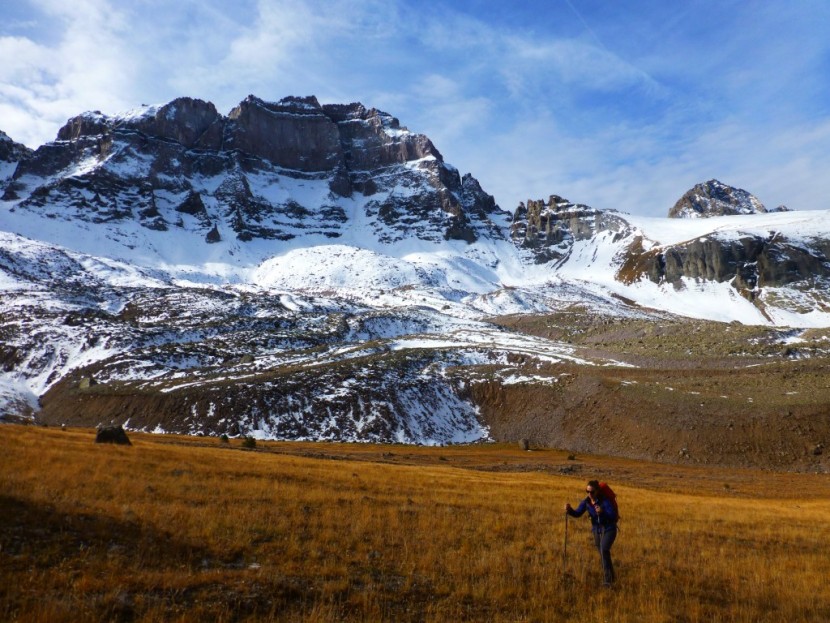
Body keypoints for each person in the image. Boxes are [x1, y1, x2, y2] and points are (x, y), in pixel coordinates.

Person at [565, 480, 618, 587]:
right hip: (597, 531)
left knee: (604, 551)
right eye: (587, 491)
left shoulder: (605, 501)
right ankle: (611, 577)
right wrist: (569, 510)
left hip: (609, 529)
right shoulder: (586, 502)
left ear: (597, 491)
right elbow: (577, 513)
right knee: (604, 554)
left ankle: (608, 581)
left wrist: (602, 512)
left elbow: (612, 516)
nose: (589, 494)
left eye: (592, 492)